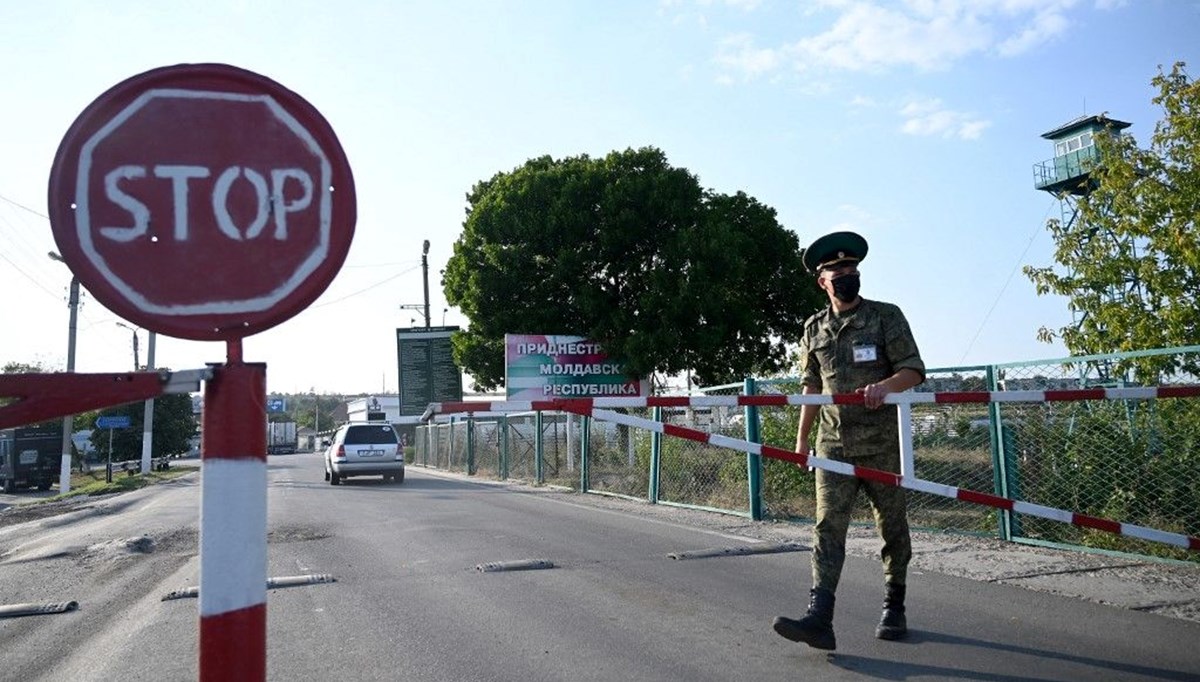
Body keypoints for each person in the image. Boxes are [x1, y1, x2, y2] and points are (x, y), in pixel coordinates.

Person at [772, 230, 926, 651]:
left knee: (892, 526)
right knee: (827, 529)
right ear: (822, 280)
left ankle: (894, 604)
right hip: (833, 446)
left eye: (851, 268)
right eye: (837, 270)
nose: (846, 274)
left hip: (880, 445)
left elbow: (914, 370)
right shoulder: (813, 329)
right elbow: (810, 388)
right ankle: (820, 617)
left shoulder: (885, 317)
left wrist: (887, 385)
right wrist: (802, 442)